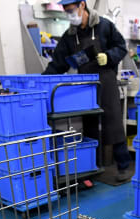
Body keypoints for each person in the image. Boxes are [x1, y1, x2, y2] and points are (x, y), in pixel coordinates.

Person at [43, 0, 132, 182]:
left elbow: (121, 47)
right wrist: (41, 80)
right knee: (90, 127)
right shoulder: (69, 36)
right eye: (66, 11)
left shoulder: (104, 25)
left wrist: (108, 56)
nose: (69, 15)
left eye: (71, 10)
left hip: (106, 81)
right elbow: (58, 63)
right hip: (85, 87)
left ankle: (124, 166)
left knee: (113, 124)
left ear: (82, 5)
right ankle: (93, 166)